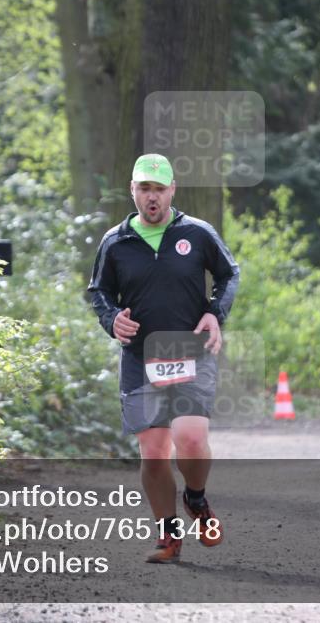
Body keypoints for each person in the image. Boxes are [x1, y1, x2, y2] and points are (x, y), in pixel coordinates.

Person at [88, 153, 240, 563]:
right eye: (144, 189)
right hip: (140, 357)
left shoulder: (198, 233)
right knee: (154, 453)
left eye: (159, 189)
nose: (151, 197)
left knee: (190, 438)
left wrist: (215, 313)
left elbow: (229, 273)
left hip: (189, 349)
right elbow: (99, 291)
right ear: (132, 191)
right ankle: (168, 537)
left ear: (172, 190)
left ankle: (196, 498)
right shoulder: (115, 241)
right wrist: (111, 319)